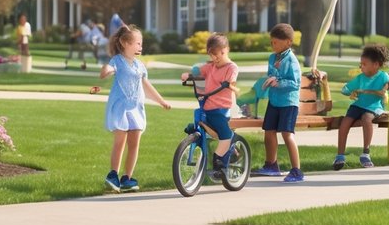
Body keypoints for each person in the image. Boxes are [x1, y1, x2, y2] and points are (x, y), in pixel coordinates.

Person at [89, 24, 172, 192]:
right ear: (125, 43)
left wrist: (161, 101)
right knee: (120, 141)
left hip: (136, 107)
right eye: (137, 43)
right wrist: (105, 70)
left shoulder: (140, 66)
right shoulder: (117, 61)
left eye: (141, 44)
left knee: (134, 142)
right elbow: (109, 69)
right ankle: (113, 175)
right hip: (120, 107)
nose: (140, 47)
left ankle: (127, 178)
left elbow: (147, 86)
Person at [181, 32, 239, 178]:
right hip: (207, 107)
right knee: (202, 119)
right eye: (211, 55)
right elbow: (198, 71)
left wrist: (229, 83)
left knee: (225, 135)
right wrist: (188, 75)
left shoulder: (231, 68)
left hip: (221, 109)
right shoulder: (211, 67)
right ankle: (229, 150)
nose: (214, 59)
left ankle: (219, 162)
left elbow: (231, 79)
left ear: (225, 50)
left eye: (217, 55)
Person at [253, 23, 304, 182]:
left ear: (288, 42)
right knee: (269, 131)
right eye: (271, 41)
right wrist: (269, 80)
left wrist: (279, 82)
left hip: (288, 103)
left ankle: (297, 170)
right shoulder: (272, 57)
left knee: (287, 134)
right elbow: (272, 75)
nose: (272, 44)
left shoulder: (292, 60)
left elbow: (295, 83)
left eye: (275, 42)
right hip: (274, 101)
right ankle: (271, 165)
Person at [333, 44, 389, 170]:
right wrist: (350, 92)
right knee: (345, 122)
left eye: (364, 64)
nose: (361, 66)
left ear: (375, 65)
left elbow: (383, 91)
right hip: (358, 105)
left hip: (373, 107)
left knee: (366, 118)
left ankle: (365, 153)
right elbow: (345, 89)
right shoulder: (360, 78)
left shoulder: (383, 77)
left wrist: (368, 91)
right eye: (361, 63)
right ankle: (340, 156)